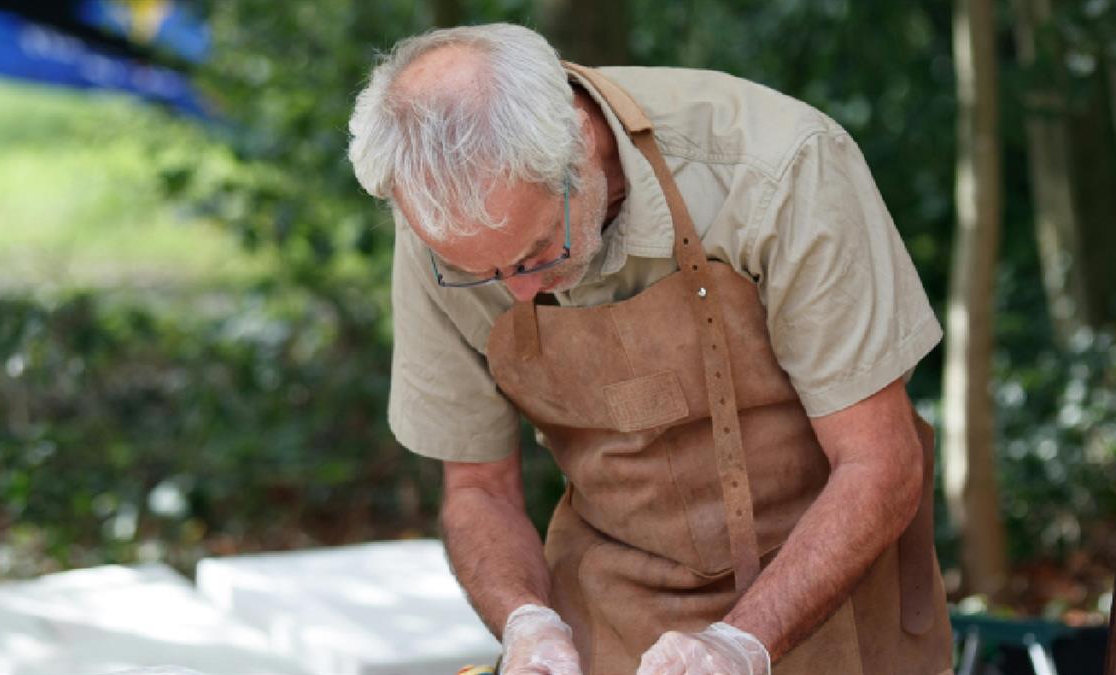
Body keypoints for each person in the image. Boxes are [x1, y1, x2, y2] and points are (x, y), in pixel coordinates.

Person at [347, 22, 954, 675]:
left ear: (580, 149)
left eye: (536, 251)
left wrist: (737, 645)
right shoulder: (444, 226)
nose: (517, 291)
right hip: (609, 614)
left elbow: (878, 462)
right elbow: (478, 488)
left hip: (835, 608)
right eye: (483, 272)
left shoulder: (779, 166)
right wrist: (525, 621)